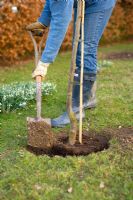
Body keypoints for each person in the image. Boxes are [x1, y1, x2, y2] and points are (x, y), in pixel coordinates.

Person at [26, 0, 116, 127]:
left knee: (85, 49)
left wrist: (44, 63)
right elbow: (52, 2)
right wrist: (43, 21)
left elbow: (60, 23)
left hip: (99, 3)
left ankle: (76, 110)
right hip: (85, 3)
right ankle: (88, 98)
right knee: (81, 45)